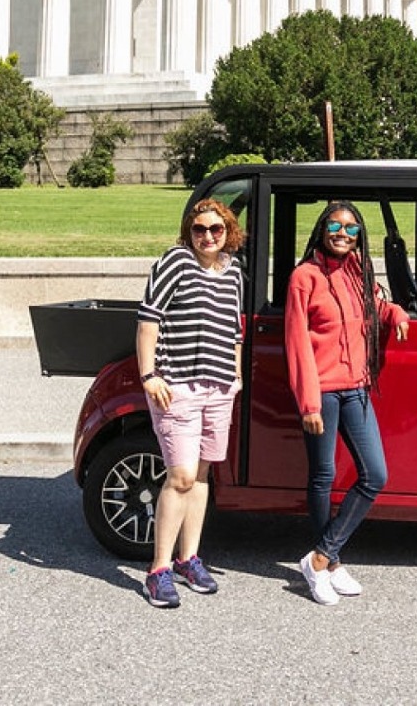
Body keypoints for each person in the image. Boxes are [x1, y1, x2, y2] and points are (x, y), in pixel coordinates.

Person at [286, 200, 410, 605]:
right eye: (336, 226)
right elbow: (297, 343)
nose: (343, 234)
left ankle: (322, 557)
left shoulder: (359, 270)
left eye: (352, 228)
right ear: (323, 229)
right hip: (321, 390)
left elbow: (373, 305)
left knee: (375, 474)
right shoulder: (304, 277)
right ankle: (329, 564)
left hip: (357, 387)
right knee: (323, 476)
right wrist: (308, 403)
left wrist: (396, 314)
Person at [134, 198, 246, 608]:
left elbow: (234, 329)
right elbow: (149, 320)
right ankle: (158, 569)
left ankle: (189, 558)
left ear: (228, 230)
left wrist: (234, 378)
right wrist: (150, 375)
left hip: (218, 386)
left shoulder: (233, 271)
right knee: (179, 476)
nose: (207, 236)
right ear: (189, 231)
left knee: (201, 476)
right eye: (199, 229)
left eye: (216, 229)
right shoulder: (175, 263)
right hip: (177, 385)